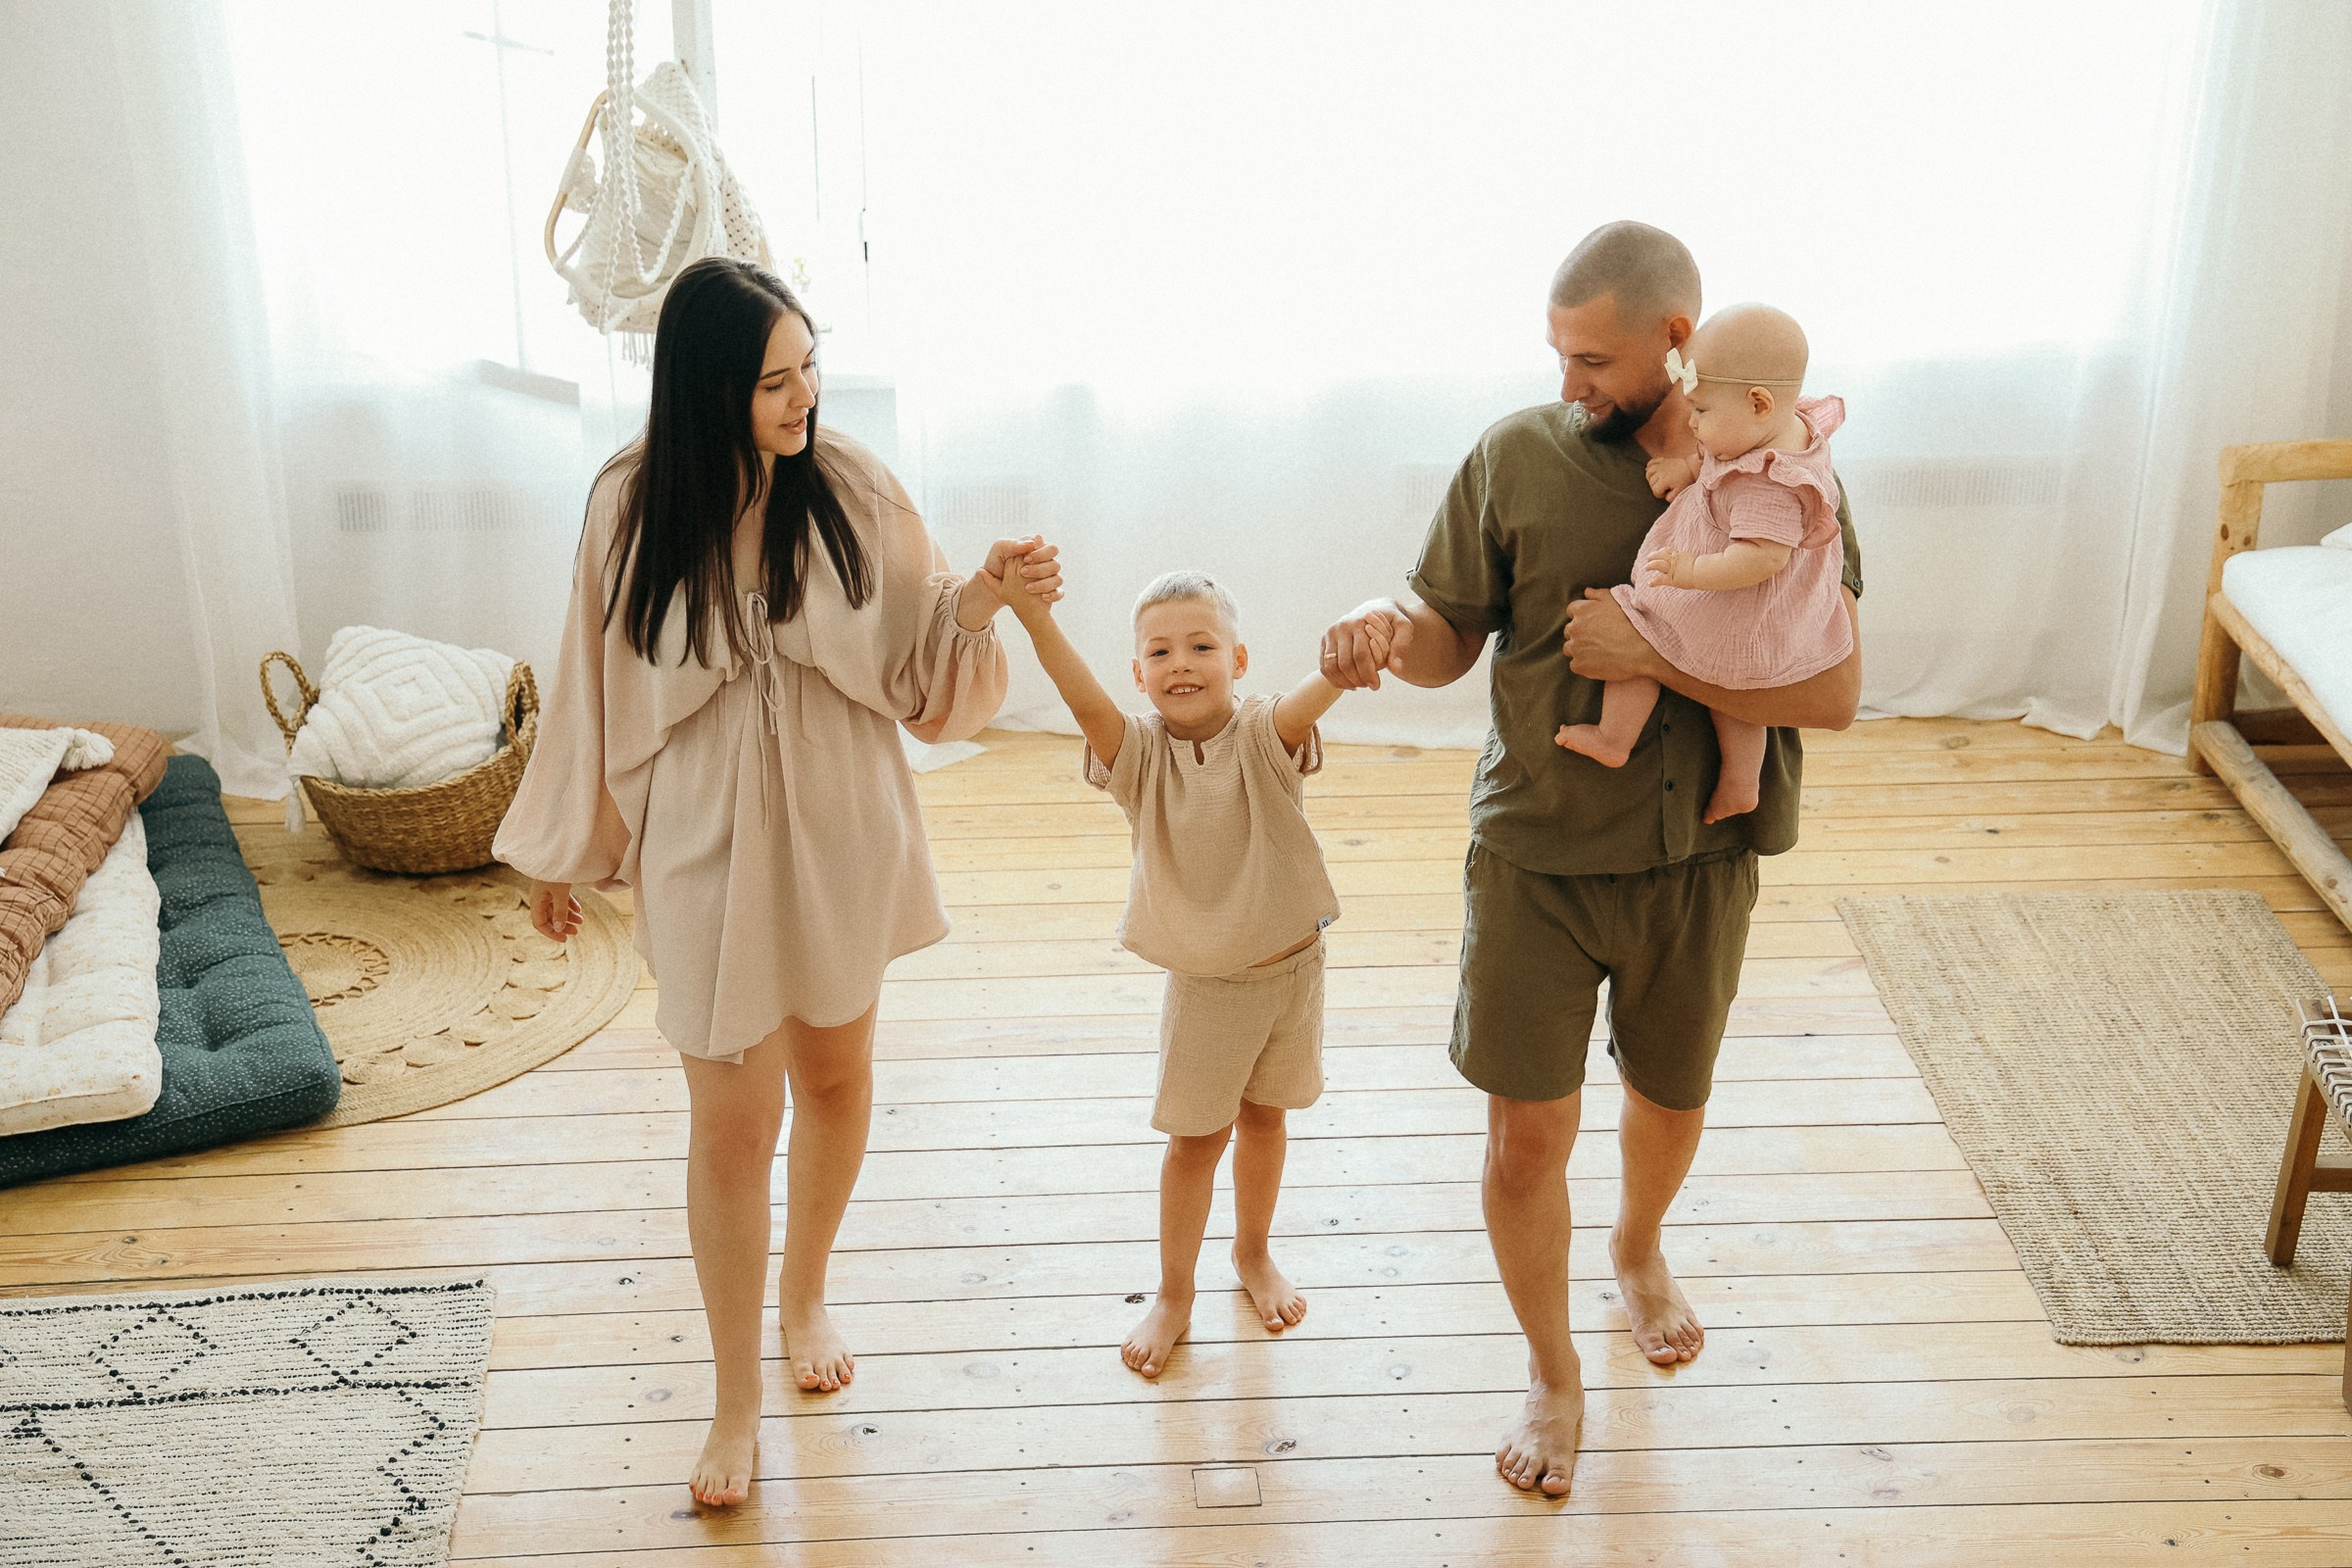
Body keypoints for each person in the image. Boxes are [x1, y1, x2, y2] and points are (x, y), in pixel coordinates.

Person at [492, 257, 1061, 1508]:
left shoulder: (853, 486)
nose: (806, 398)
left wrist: (982, 600)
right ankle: (732, 1397)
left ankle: (808, 1290)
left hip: (842, 820)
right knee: (732, 1120)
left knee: (839, 1075)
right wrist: (569, 848)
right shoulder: (629, 505)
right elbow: (589, 683)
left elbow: (923, 670)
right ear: (706, 389)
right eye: (775, 381)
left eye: (812, 367)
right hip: (700, 837)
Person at [1318, 221, 1863, 1497]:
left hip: (1700, 859)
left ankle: (1636, 1245)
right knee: (1525, 1139)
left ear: (1679, 342)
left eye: (1594, 360)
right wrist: (1380, 630)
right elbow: (1450, 637)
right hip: (1537, 857)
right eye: (1559, 356)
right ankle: (1552, 1370)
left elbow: (1832, 694)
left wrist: (1654, 657)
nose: (1570, 383)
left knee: (1671, 1101)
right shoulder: (1515, 457)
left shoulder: (1793, 474)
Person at [998, 565, 1350, 1378]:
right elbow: (1080, 697)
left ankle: (1254, 1253)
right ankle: (1175, 1293)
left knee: (1267, 1122)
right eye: (1160, 651)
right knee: (1198, 1143)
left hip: (1294, 971)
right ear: (1139, 673)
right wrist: (1031, 615)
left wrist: (1349, 651)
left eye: (1201, 645)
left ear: (1239, 658)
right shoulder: (1138, 755)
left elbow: (1314, 694)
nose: (1181, 663)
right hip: (1208, 992)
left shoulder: (1266, 735)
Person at [1556, 303, 1852, 825]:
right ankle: (1741, 781)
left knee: (1638, 620)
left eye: (1700, 412)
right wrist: (1688, 467)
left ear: (1759, 402)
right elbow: (1719, 455)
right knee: (1738, 691)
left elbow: (1762, 557)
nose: (1690, 422)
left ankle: (1613, 737)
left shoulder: (1770, 485)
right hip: (1752, 622)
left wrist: (1687, 571)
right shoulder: (1770, 428)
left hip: (1737, 597)